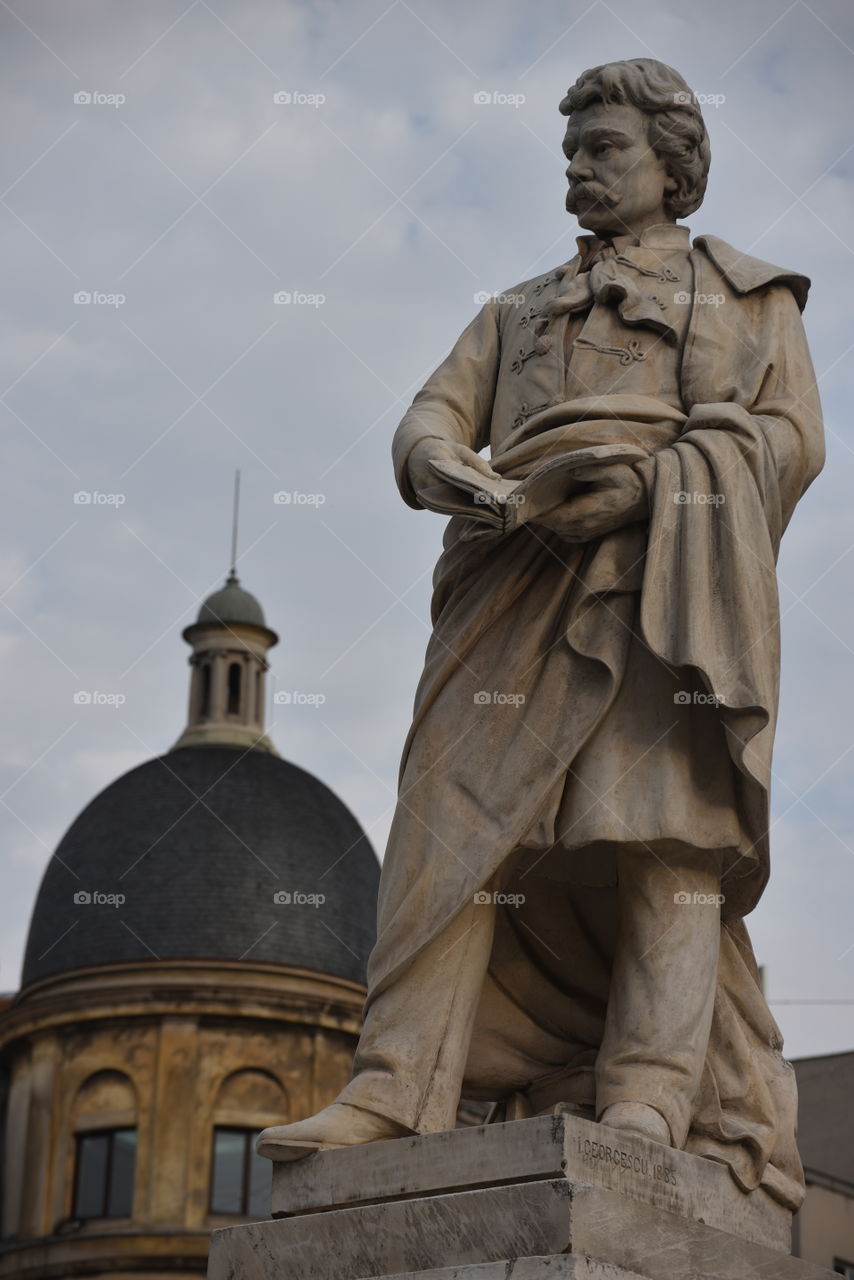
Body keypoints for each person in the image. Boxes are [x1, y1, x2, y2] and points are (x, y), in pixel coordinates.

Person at [258, 58, 824, 1211]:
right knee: (448, 827)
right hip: (507, 569)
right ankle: (393, 1080)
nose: (576, 169)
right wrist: (436, 465)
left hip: (662, 578)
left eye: (601, 148)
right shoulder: (513, 308)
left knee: (659, 826)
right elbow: (433, 412)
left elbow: (788, 442)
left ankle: (649, 1093)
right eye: (569, 152)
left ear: (673, 165)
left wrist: (656, 487)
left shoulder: (746, 297)